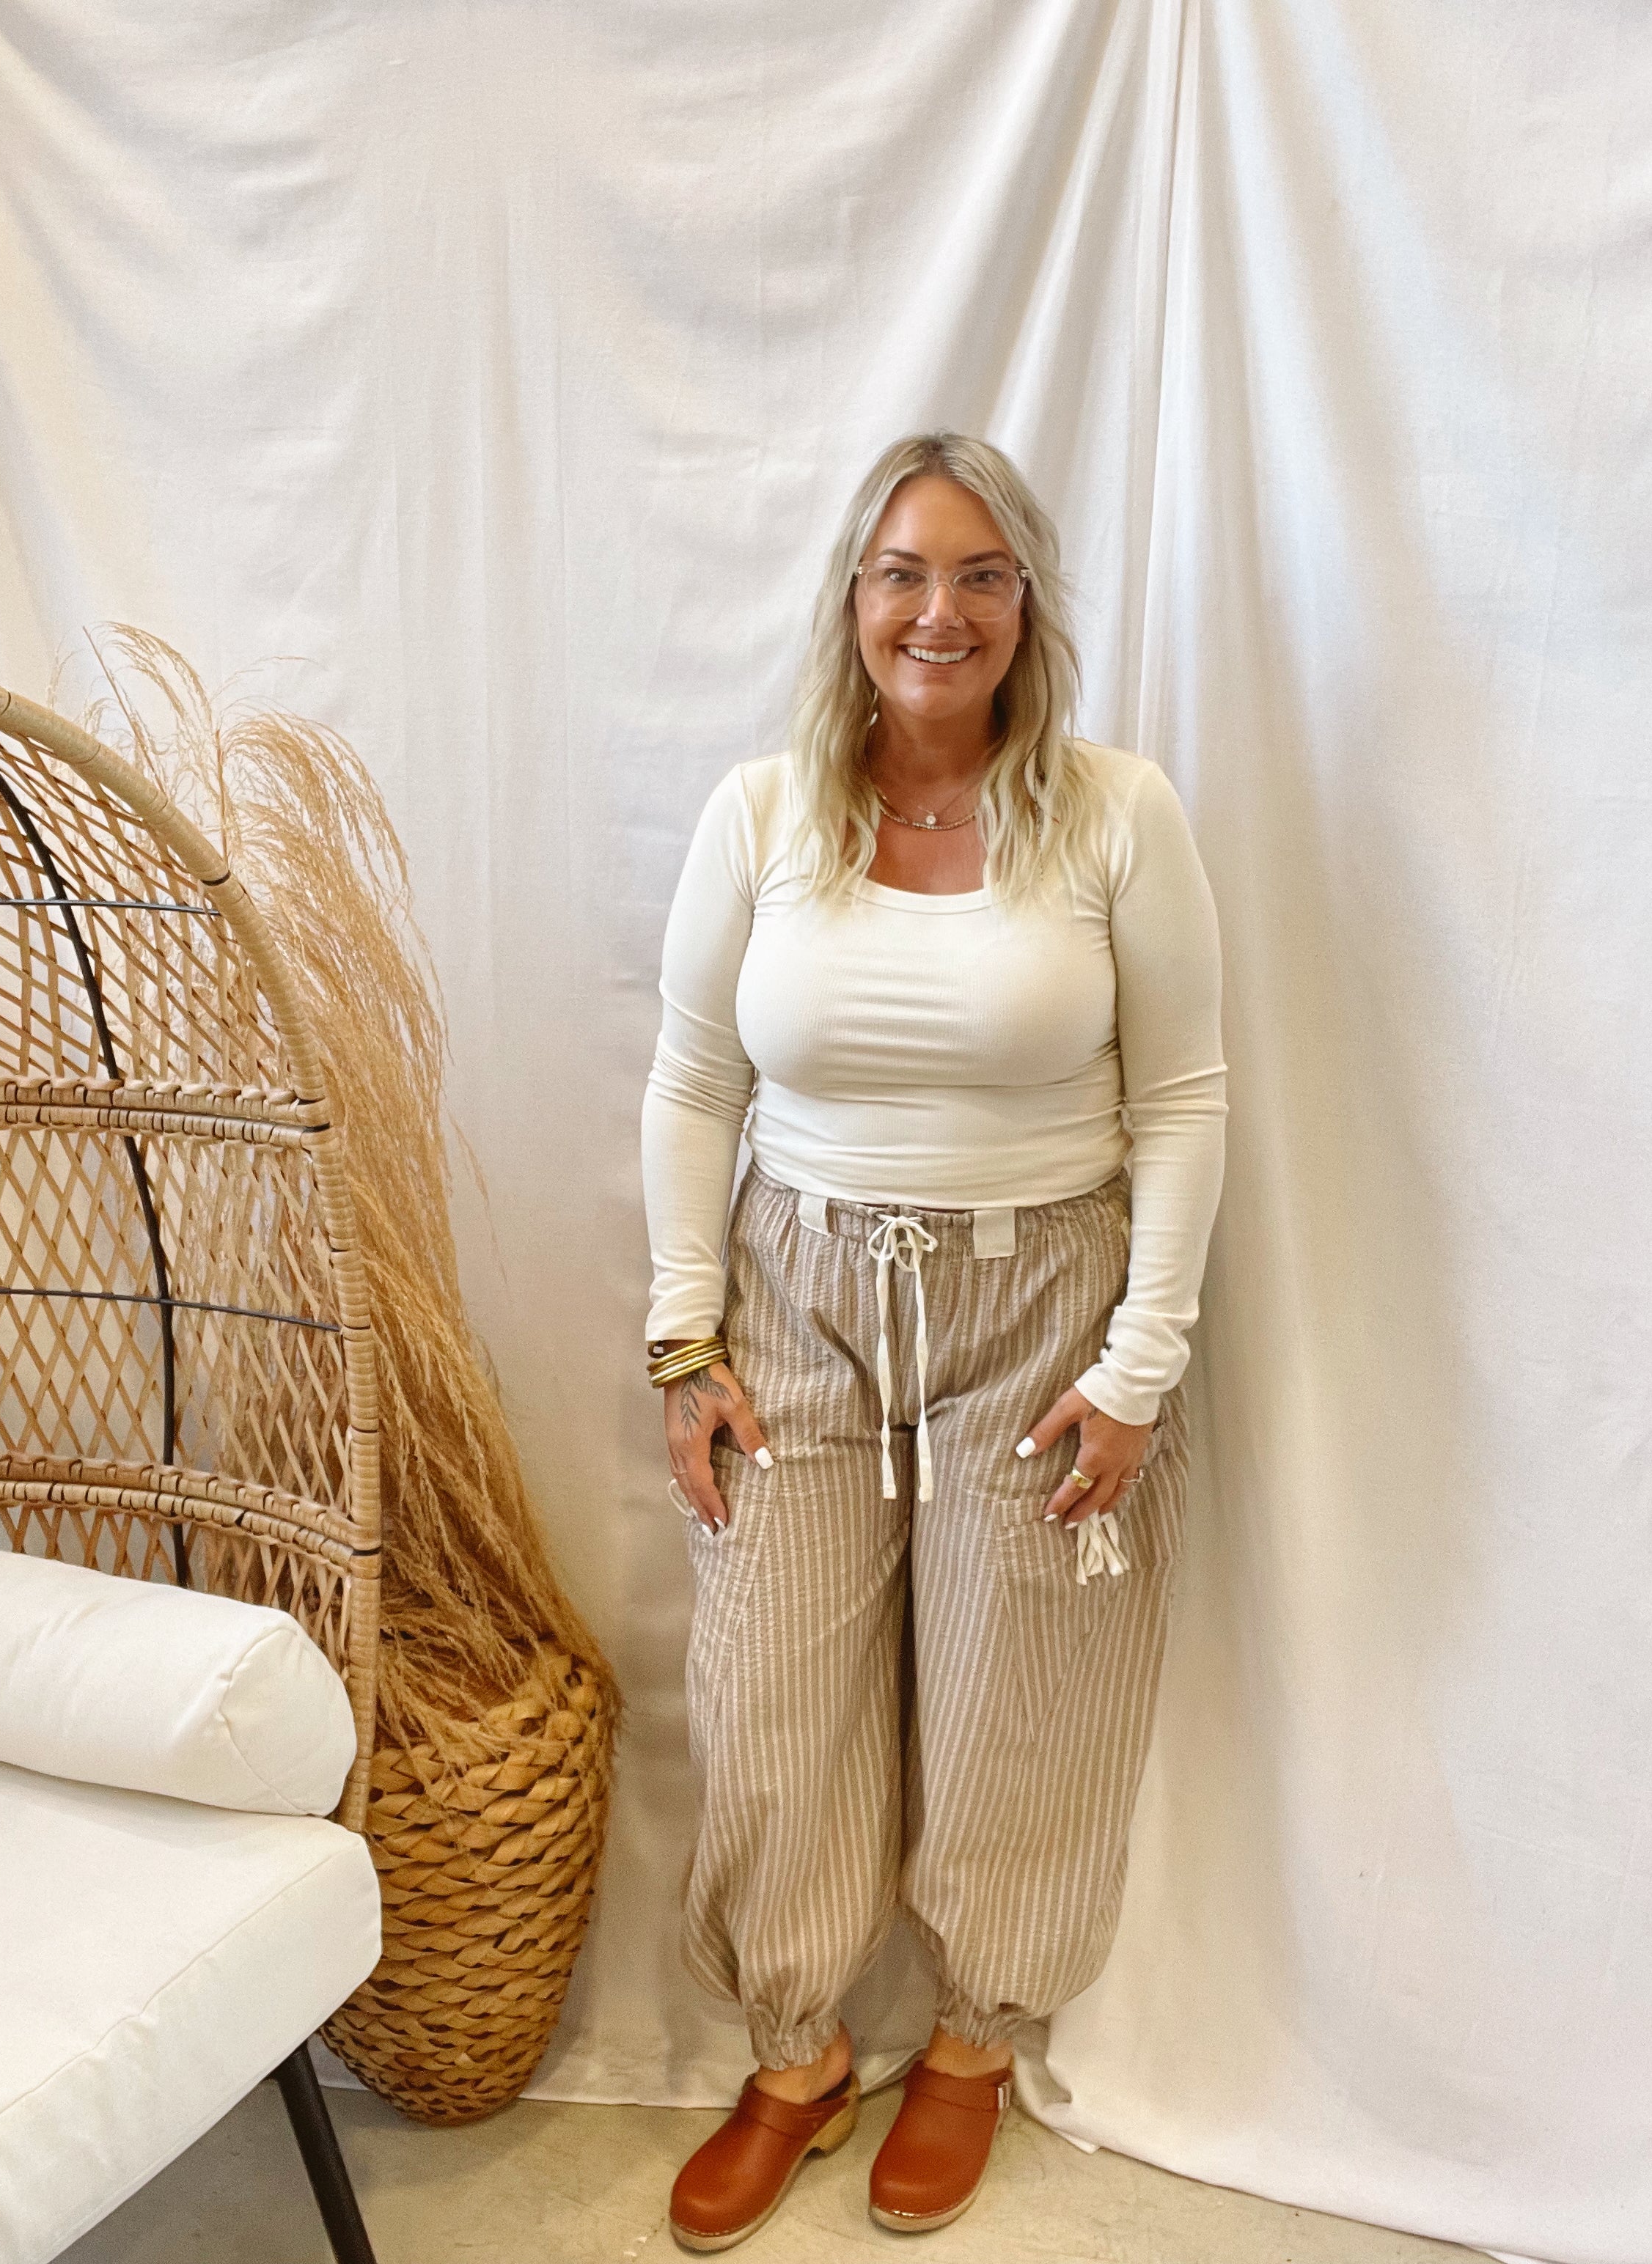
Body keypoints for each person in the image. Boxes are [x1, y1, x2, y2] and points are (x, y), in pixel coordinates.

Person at [641, 430, 1226, 2250]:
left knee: (1016, 1694)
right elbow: (694, 1080)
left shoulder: (1116, 814)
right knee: (770, 1694)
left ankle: (973, 2037)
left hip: (1043, 1308)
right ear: (853, 599)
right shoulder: (763, 813)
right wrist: (681, 1338)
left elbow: (1183, 1100)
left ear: (1026, 604)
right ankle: (800, 2049)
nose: (939, 610)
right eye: (903, 571)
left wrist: (1140, 1363)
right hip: (798, 1302)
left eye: (980, 574)